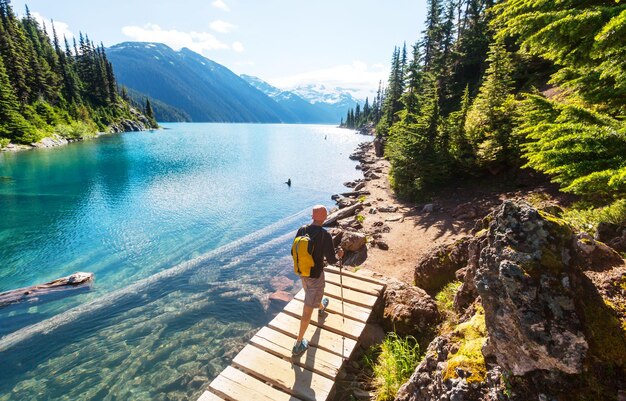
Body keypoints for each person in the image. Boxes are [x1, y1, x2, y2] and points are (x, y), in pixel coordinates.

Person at [291, 205, 344, 356]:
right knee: (307, 309)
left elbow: (293, 251)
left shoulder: (302, 230)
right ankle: (298, 344)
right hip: (316, 275)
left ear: (312, 216)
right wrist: (339, 254)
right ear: (325, 218)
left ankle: (321, 307)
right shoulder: (324, 235)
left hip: (302, 272)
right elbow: (332, 260)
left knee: (311, 293)